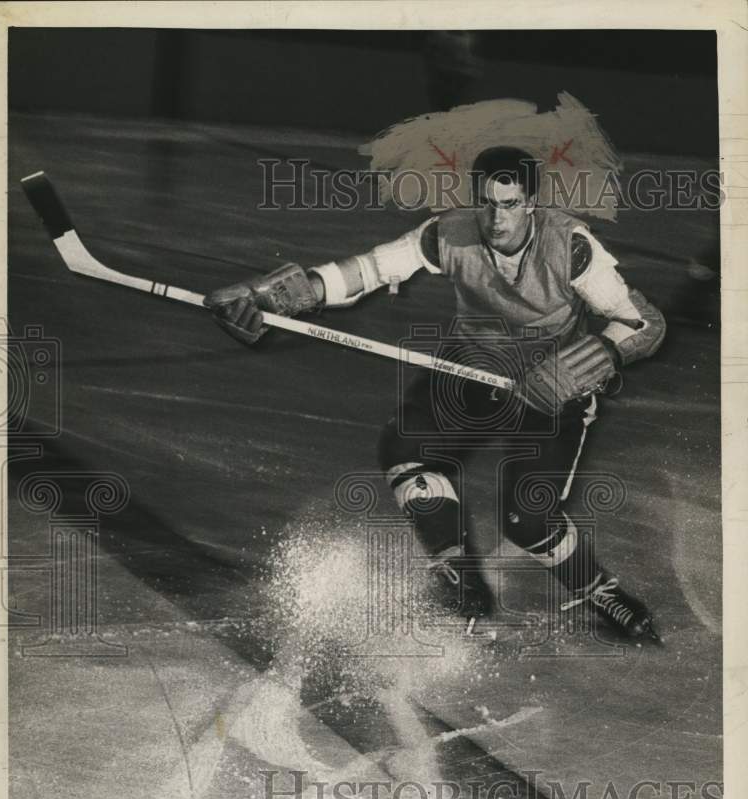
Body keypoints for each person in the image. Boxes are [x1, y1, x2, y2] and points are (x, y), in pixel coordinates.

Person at [204, 146, 665, 642]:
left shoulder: (570, 246)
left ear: (531, 202)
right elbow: (371, 269)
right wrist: (276, 298)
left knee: (528, 520)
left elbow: (643, 322)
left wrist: (581, 366)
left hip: (550, 387)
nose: (495, 217)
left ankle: (598, 590)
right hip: (473, 364)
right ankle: (458, 573)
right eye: (486, 202)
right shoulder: (449, 231)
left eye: (509, 204)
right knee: (405, 451)